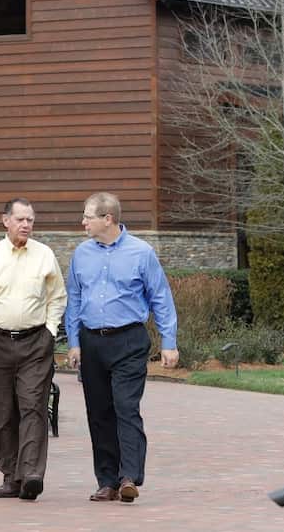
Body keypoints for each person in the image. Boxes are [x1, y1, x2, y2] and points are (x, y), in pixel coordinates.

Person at [65, 191, 178, 504]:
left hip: (129, 340)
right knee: (99, 413)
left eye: (88, 216)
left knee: (125, 408)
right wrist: (74, 342)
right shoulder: (81, 254)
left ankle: (129, 477)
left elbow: (161, 298)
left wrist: (169, 343)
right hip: (91, 341)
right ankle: (107, 481)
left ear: (107, 219)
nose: (83, 221)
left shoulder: (141, 253)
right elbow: (73, 300)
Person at [0, 198, 67, 501]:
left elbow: (57, 297)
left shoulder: (44, 255)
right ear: (5, 220)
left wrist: (49, 330)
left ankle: (32, 474)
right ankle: (11, 476)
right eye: (21, 219)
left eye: (31, 220)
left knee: (34, 405)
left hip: (36, 343)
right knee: (3, 411)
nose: (26, 225)